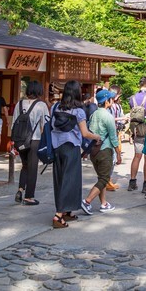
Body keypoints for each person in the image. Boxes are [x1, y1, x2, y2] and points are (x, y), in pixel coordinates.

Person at [50, 80, 101, 229]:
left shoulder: (55, 107)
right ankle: (58, 216)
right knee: (70, 181)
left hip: (57, 147)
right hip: (71, 148)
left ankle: (67, 211)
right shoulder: (78, 111)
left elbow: (51, 126)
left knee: (60, 180)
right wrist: (96, 136)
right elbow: (85, 133)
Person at [81, 89, 120, 215]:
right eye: (111, 99)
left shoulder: (94, 114)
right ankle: (87, 201)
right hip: (105, 150)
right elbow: (113, 137)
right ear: (107, 101)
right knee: (104, 178)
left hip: (94, 151)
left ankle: (104, 203)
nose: (112, 100)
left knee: (101, 177)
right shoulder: (108, 116)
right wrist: (118, 153)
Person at [12, 80, 48, 206]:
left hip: (20, 140)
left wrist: (13, 141)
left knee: (25, 166)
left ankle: (20, 189)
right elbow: (46, 125)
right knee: (33, 168)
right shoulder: (41, 105)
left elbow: (14, 124)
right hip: (35, 140)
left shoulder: (19, 104)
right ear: (39, 91)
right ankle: (29, 196)